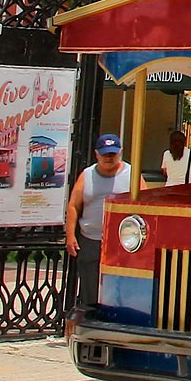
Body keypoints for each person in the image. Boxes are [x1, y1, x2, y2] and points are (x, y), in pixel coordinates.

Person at [64, 134, 132, 325]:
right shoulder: (87, 175)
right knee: (90, 283)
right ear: (96, 154)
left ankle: (119, 319)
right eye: (105, 155)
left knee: (119, 283)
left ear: (120, 153)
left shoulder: (131, 174)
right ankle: (92, 320)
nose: (109, 158)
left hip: (120, 243)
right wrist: (70, 236)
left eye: (113, 154)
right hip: (91, 238)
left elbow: (143, 204)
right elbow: (73, 206)